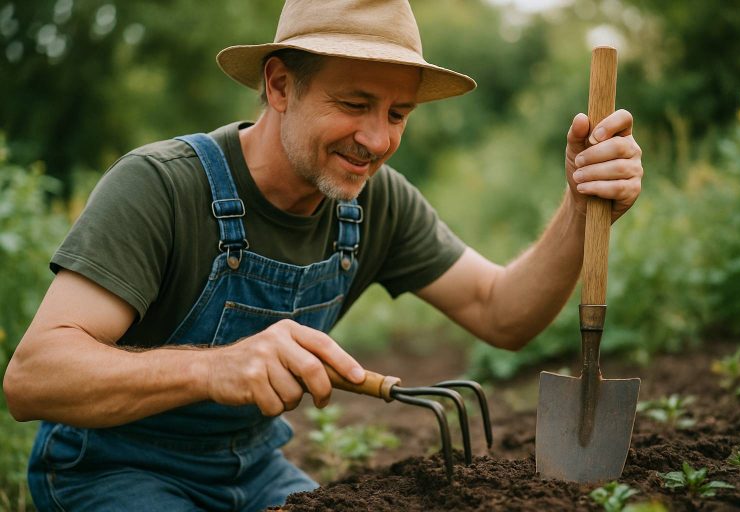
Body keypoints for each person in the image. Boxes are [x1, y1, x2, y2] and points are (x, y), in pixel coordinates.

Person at [3, 0, 643, 510]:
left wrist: (580, 201)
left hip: (253, 471)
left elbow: (502, 312)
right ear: (280, 84)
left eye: (399, 113)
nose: (377, 139)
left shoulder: (376, 203)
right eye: (355, 103)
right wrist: (213, 369)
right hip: (112, 473)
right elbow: (34, 378)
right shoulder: (162, 186)